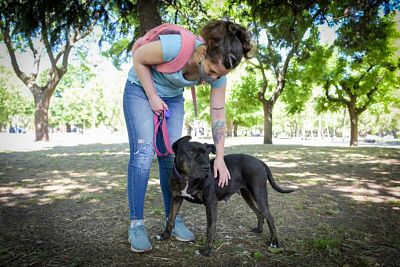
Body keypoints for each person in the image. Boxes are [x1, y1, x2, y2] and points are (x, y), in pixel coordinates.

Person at [123, 19, 253, 252]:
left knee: (170, 156)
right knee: (144, 152)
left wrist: (220, 157)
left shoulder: (219, 74)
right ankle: (136, 224)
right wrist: (152, 97)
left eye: (218, 75)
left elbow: (218, 114)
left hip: (172, 96)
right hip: (141, 89)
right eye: (211, 71)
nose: (213, 78)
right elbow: (139, 57)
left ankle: (172, 221)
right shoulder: (178, 46)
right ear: (203, 52)